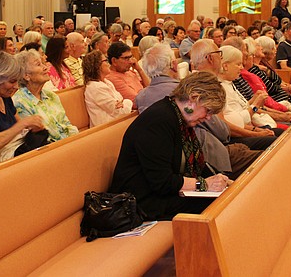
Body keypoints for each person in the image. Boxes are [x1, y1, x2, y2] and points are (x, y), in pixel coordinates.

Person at [109, 71, 231, 221]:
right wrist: (204, 184)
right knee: (220, 206)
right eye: (208, 110)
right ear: (193, 98)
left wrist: (223, 181)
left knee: (228, 197)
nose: (208, 117)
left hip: (159, 193)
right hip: (139, 201)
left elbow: (196, 165)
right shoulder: (159, 120)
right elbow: (162, 182)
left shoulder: (178, 117)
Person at [11, 50, 78, 147]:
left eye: (43, 63)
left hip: (70, 144)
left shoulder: (51, 96)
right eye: (38, 64)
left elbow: (66, 124)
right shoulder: (19, 103)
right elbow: (39, 140)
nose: (45, 68)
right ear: (26, 75)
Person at [82, 50, 133, 127]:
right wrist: (127, 102)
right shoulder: (94, 88)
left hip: (117, 123)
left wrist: (123, 103)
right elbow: (121, 112)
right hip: (105, 128)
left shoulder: (107, 82)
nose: (109, 63)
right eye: (105, 60)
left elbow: (120, 105)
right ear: (97, 66)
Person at [105, 42, 149, 108]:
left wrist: (140, 70)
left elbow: (150, 88)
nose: (131, 61)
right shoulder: (112, 78)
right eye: (126, 58)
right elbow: (136, 102)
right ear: (114, 61)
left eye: (131, 57)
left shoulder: (129, 72)